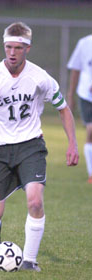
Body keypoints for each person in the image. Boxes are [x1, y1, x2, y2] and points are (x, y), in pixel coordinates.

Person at [0, 21, 79, 272]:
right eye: (8, 47)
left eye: (18, 48)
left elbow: (63, 108)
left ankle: (29, 261)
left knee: (35, 201)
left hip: (30, 145)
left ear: (28, 48)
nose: (11, 52)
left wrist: (72, 143)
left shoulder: (40, 77)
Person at [67, 34, 92, 184]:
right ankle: (91, 173)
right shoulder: (85, 43)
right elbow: (75, 70)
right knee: (91, 131)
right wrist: (71, 96)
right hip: (86, 95)